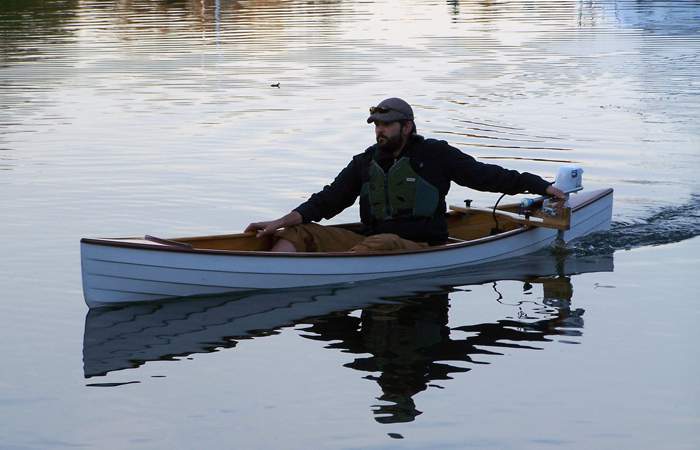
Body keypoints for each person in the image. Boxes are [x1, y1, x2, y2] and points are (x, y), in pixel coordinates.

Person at [246, 97, 565, 252]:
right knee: (298, 233)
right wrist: (280, 222)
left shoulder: (435, 154)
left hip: (423, 247)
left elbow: (488, 177)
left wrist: (541, 187)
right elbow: (328, 200)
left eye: (386, 126)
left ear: (407, 127)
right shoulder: (364, 162)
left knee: (382, 242)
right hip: (371, 244)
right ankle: (275, 272)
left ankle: (307, 275)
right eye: (376, 127)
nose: (379, 132)